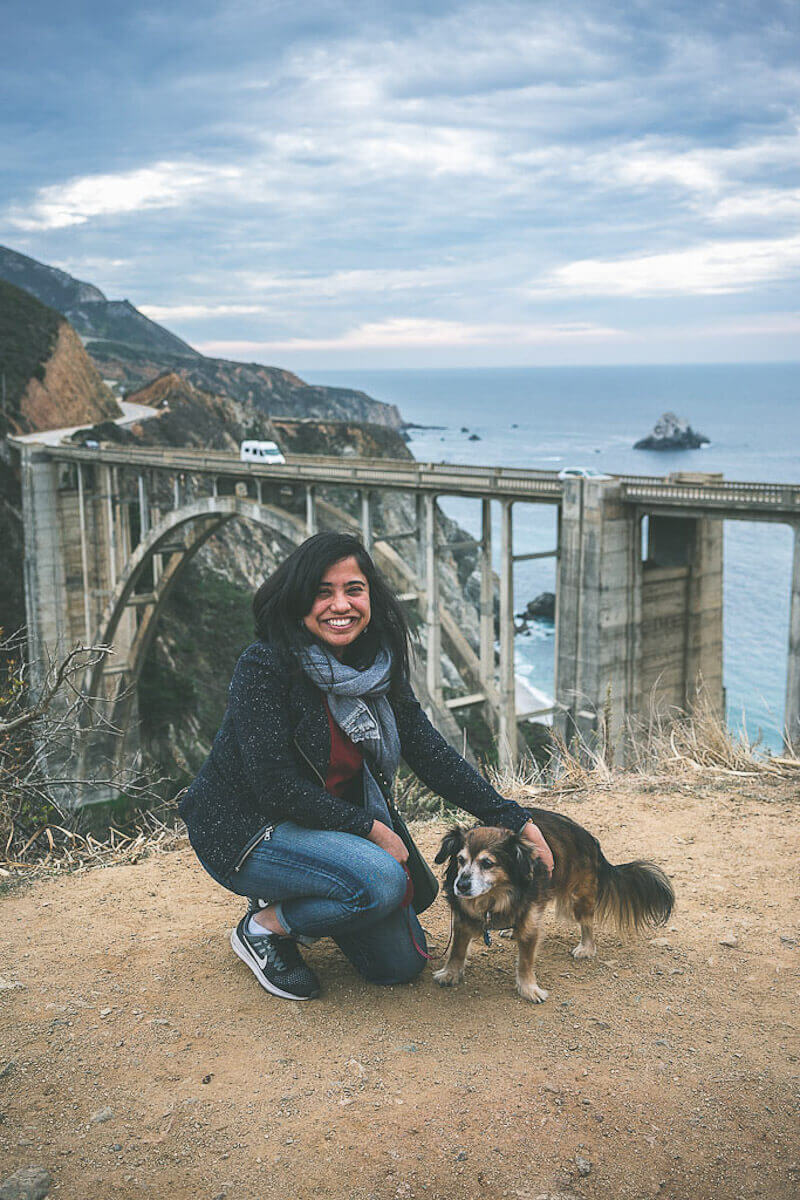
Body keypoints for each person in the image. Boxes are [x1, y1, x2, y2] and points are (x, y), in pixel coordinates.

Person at [179, 531, 554, 1002]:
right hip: (248, 831)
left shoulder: (376, 668)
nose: (341, 605)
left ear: (371, 596)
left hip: (326, 829)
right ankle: (262, 927)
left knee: (400, 960)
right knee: (381, 881)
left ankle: (313, 890)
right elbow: (275, 787)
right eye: (322, 592)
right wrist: (372, 829)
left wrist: (512, 816)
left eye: (353, 589)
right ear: (299, 600)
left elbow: (428, 751)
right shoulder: (265, 666)